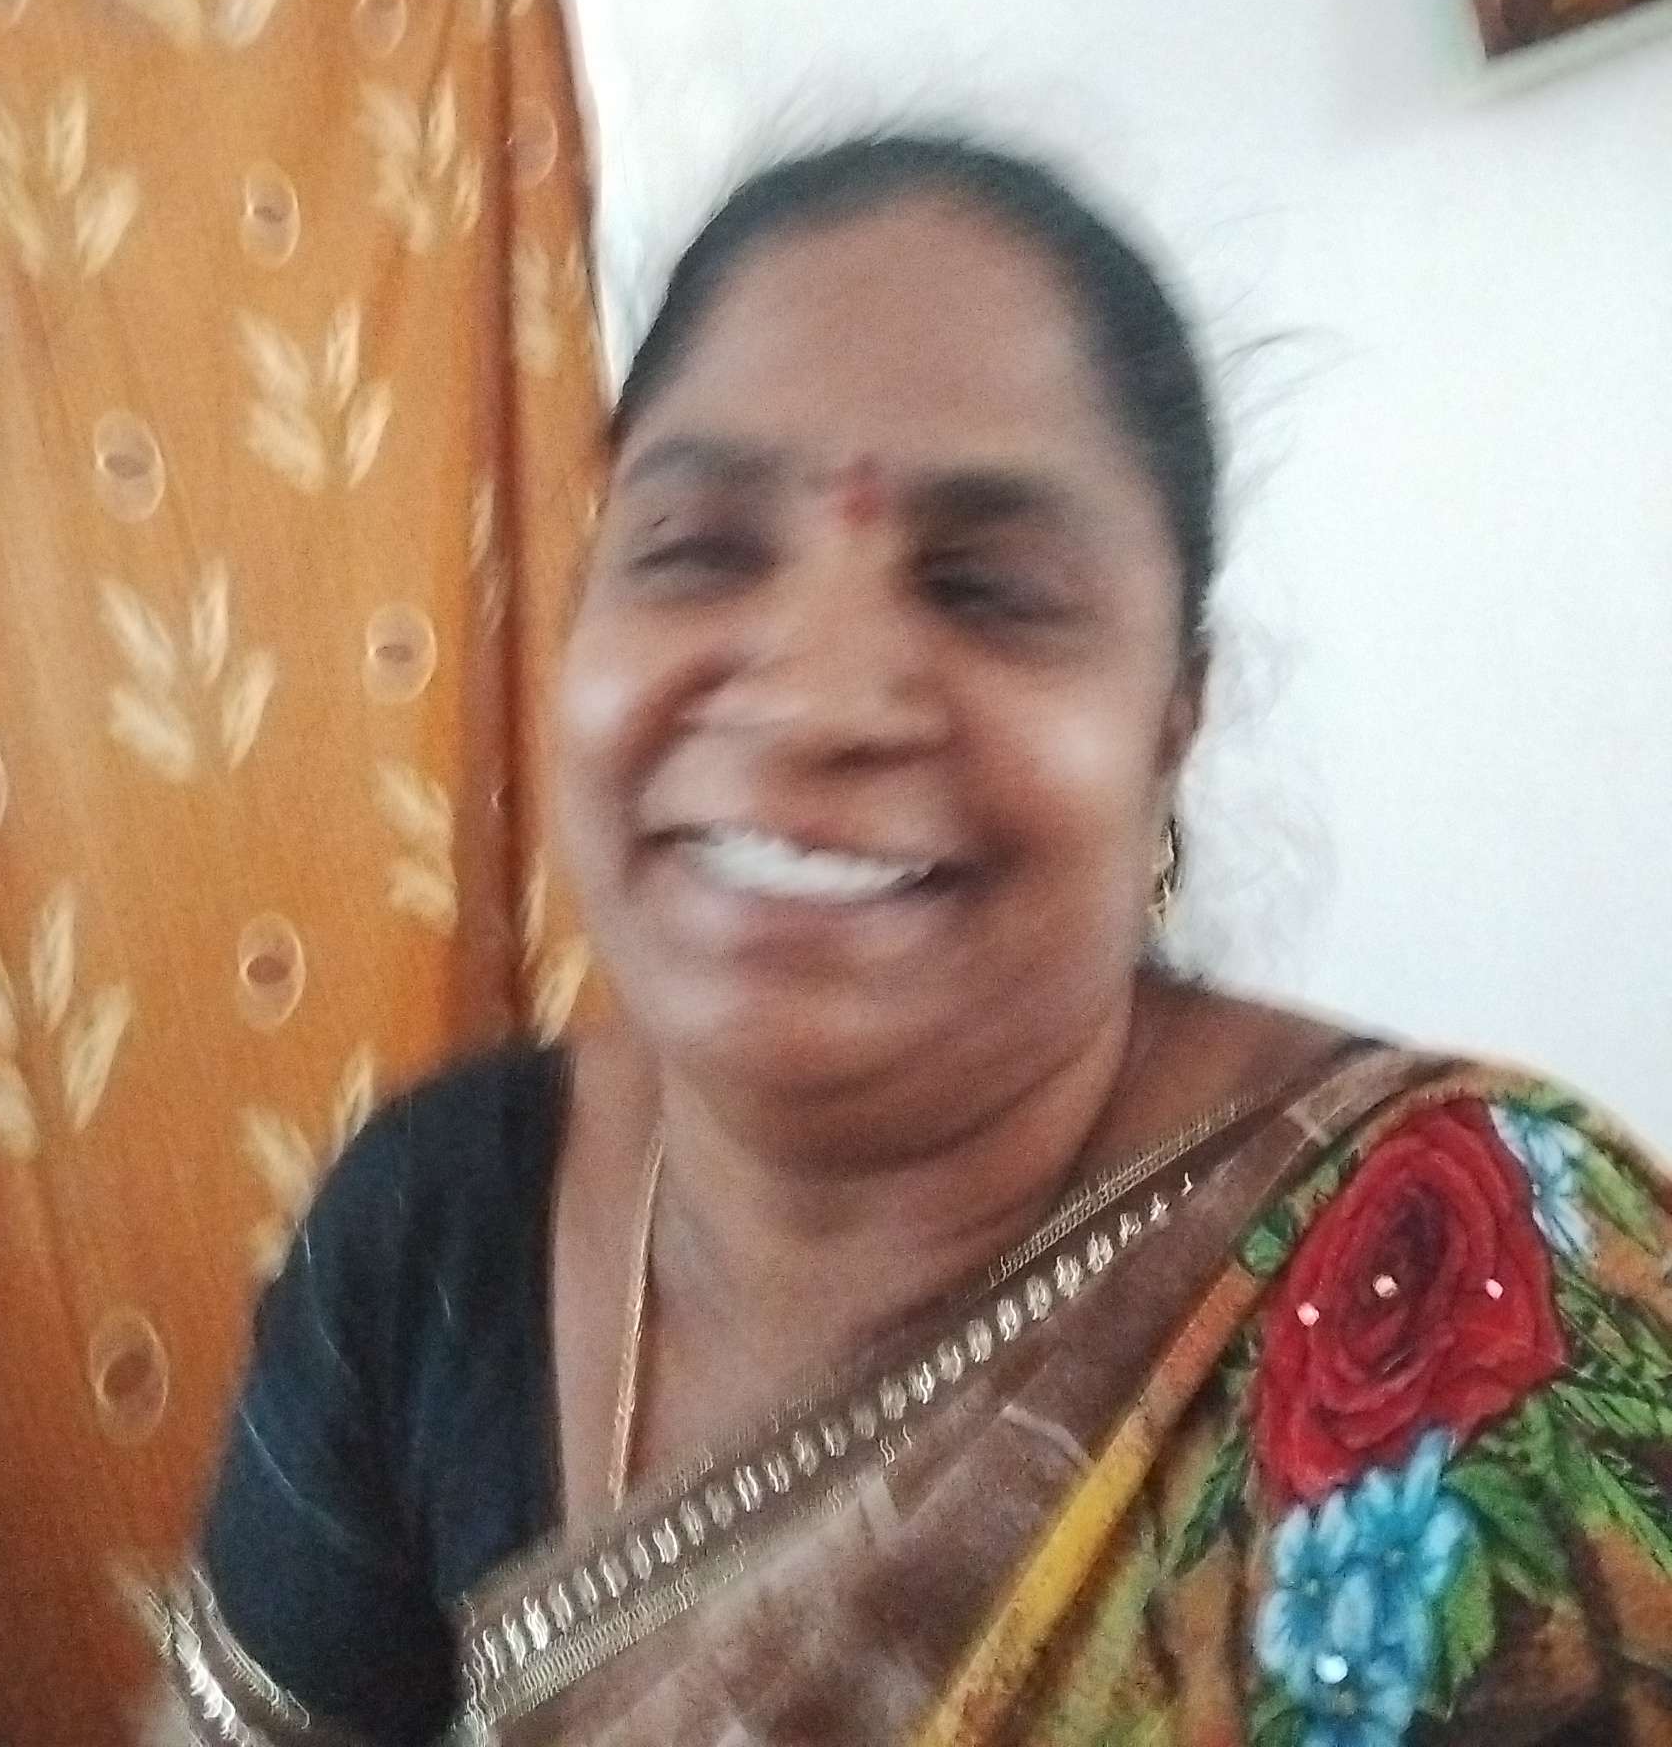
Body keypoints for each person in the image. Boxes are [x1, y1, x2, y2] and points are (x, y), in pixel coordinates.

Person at [151, 136, 1672, 1747]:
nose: (815, 698)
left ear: (1172, 722)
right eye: (698, 550)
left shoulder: (1478, 1276)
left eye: (989, 588)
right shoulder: (429, 1225)